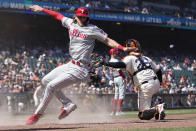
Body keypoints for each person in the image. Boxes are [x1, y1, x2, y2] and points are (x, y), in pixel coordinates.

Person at [26, 5, 135, 125]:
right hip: (71, 64)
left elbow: (107, 40)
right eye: (80, 17)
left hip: (81, 69)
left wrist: (122, 48)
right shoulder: (70, 23)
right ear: (75, 16)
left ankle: (38, 114)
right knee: (46, 80)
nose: (82, 19)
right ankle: (68, 104)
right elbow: (57, 15)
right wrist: (42, 9)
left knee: (51, 86)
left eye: (84, 17)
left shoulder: (93, 29)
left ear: (87, 18)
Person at [102, 39, 166, 120]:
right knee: (147, 110)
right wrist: (159, 84)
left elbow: (121, 64)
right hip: (155, 82)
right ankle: (157, 112)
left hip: (145, 85)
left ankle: (158, 108)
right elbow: (158, 70)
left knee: (142, 115)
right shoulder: (146, 57)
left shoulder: (129, 58)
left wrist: (106, 63)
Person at [109, 48, 126, 116]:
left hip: (115, 78)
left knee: (116, 95)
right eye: (116, 53)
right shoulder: (116, 60)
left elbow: (111, 73)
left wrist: (112, 79)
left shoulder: (109, 61)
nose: (117, 54)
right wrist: (124, 77)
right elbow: (120, 71)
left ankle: (113, 111)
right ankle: (118, 111)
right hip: (119, 77)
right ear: (113, 53)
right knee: (121, 95)